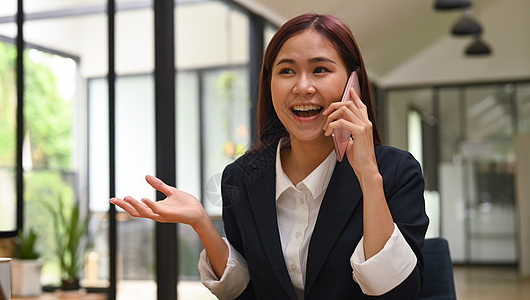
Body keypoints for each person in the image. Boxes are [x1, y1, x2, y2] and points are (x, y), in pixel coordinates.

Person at [110, 13, 429, 300]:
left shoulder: (395, 172)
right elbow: (243, 291)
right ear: (269, 83)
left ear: (352, 84)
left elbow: (399, 293)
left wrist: (370, 177)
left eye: (320, 69)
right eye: (287, 71)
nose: (303, 87)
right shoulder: (241, 176)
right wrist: (203, 224)